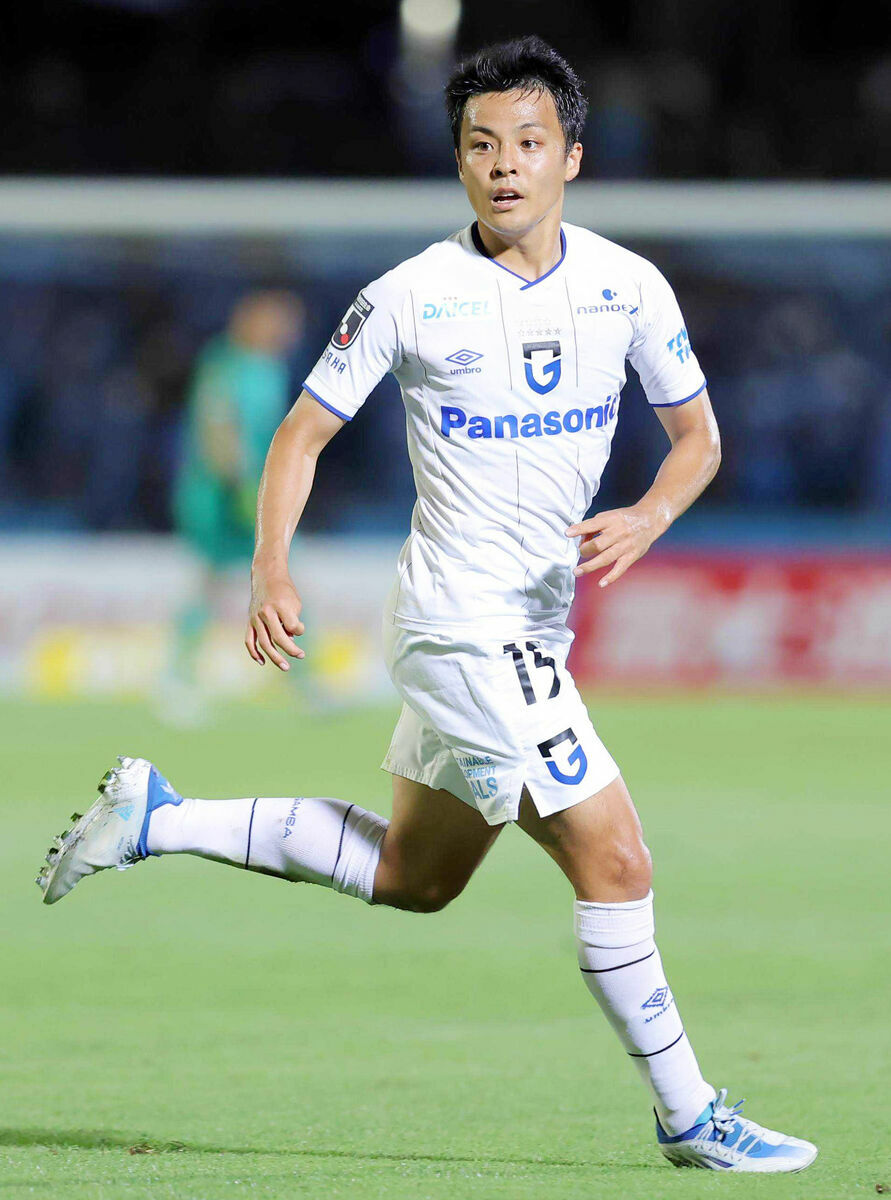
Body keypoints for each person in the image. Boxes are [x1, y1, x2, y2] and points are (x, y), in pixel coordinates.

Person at [37, 36, 816, 1173]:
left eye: (528, 144)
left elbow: (697, 437)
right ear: (458, 163)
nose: (504, 165)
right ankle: (690, 1115)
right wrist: (269, 568)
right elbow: (300, 435)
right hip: (461, 627)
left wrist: (650, 512)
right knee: (617, 861)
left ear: (571, 157)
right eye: (480, 145)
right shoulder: (408, 297)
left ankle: (157, 817)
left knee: (417, 876)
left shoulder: (627, 287)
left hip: (531, 627)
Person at [163, 288, 305, 720]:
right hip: (223, 496)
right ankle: (178, 678)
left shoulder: (270, 368)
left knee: (242, 583)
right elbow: (219, 430)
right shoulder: (225, 365)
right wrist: (242, 488)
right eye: (279, 322)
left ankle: (301, 682)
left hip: (254, 492)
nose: (288, 332)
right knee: (231, 581)